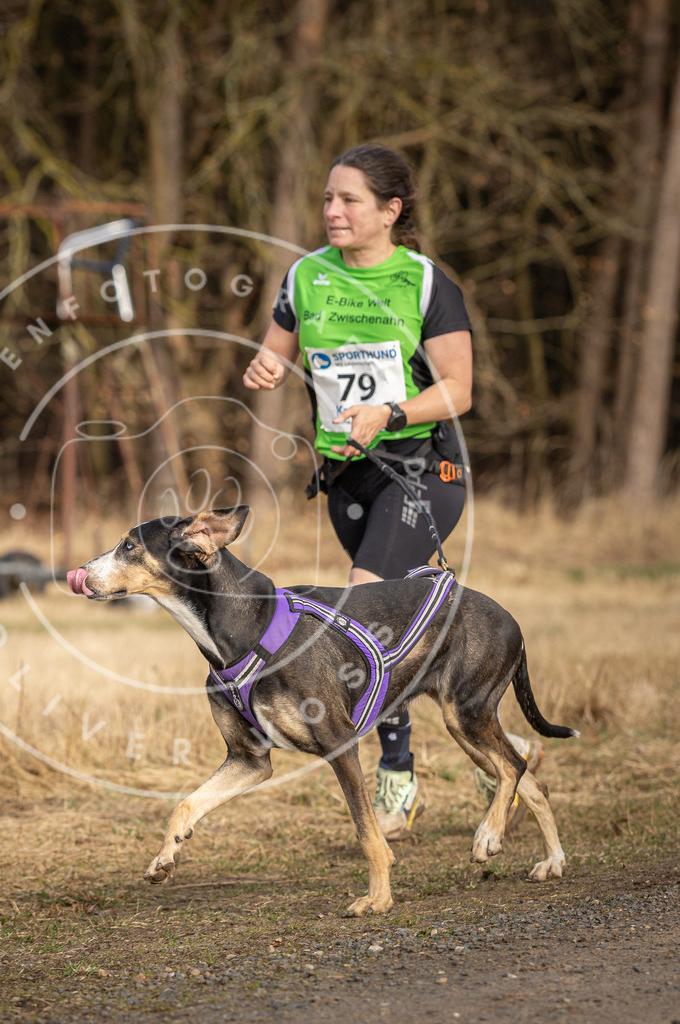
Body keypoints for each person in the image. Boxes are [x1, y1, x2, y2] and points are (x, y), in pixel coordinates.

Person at [243, 142, 540, 839]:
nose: (333, 211)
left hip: (421, 470)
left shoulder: (425, 282)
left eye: (349, 200)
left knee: (362, 604)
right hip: (347, 475)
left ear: (390, 211)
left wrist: (392, 412)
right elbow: (275, 351)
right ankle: (501, 748)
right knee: (397, 626)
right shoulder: (306, 276)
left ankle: (398, 777)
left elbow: (459, 392)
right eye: (327, 199)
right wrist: (264, 366)